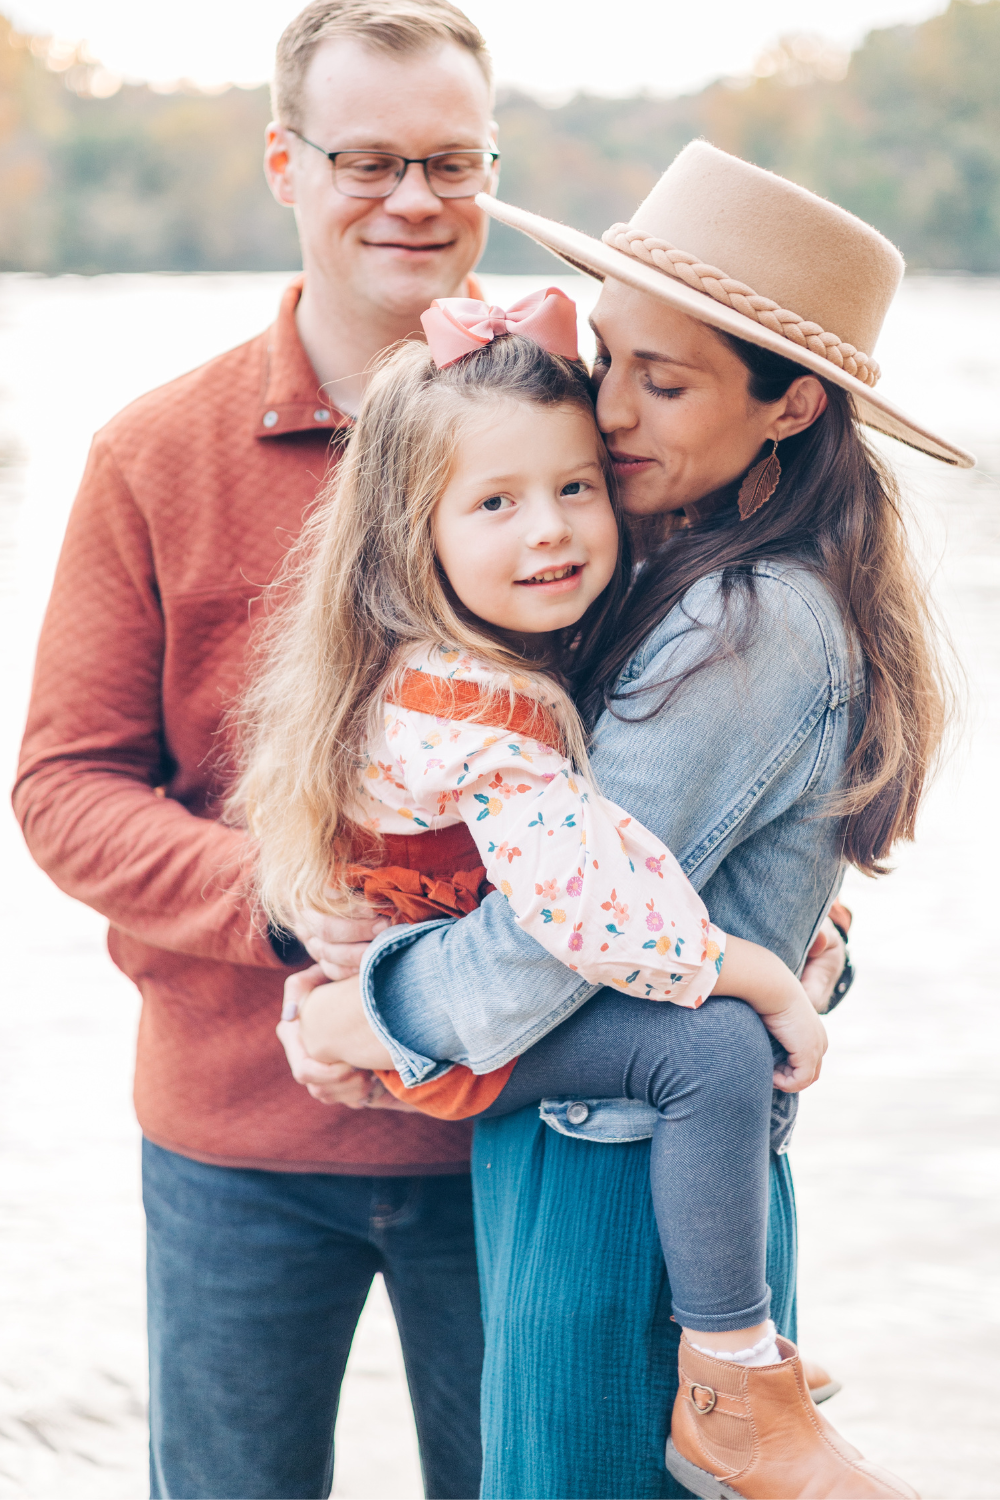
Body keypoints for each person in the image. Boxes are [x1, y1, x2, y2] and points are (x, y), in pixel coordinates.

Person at [288, 143, 969, 1497]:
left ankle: (737, 1386)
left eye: (666, 382)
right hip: (598, 1131)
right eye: (610, 361)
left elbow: (561, 931)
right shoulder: (661, 567)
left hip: (625, 1166)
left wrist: (368, 1015)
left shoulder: (748, 616)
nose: (611, 413)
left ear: (790, 409)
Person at [12, 3, 502, 1496]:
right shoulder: (155, 453)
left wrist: (794, 944)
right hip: (235, 1142)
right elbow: (62, 785)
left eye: (451, 161)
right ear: (284, 166)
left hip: (530, 1139)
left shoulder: (582, 438)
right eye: (368, 159)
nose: (413, 200)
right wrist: (280, 896)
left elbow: (706, 747)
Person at [233, 280, 842, 1393]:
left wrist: (816, 919)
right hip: (466, 1024)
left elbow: (658, 833)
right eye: (496, 504)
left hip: (444, 1015)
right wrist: (764, 975)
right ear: (415, 534)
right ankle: (737, 1366)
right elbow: (585, 913)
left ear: (791, 409)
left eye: (573, 488)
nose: (553, 524)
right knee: (710, 1047)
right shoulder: (488, 711)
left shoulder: (536, 639)